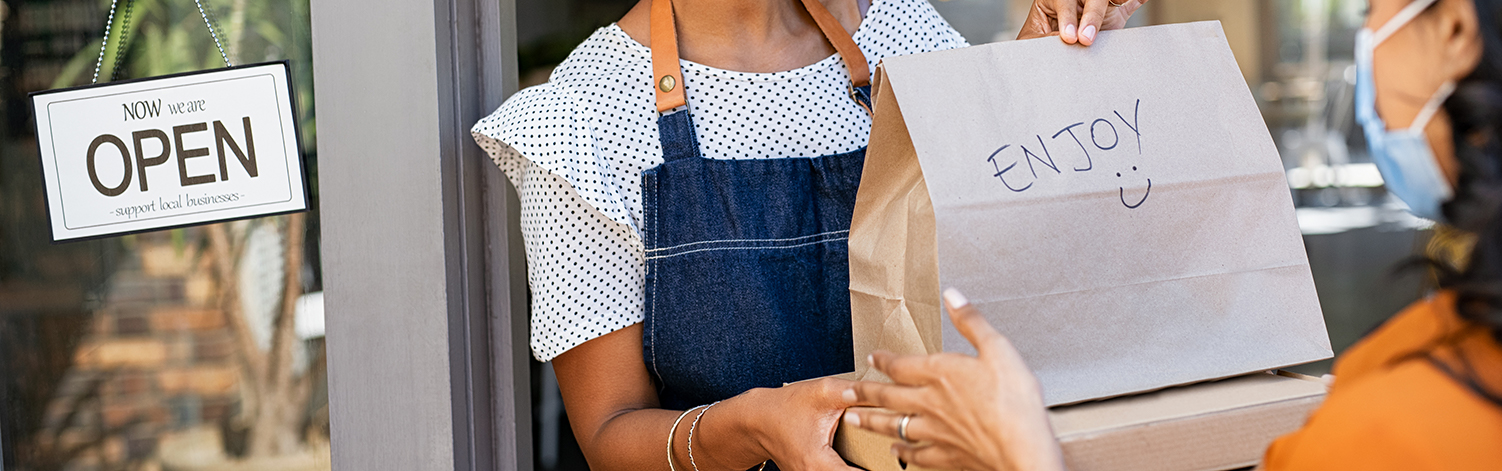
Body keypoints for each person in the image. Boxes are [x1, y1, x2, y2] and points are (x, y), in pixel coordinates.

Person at [843, 0, 1502, 469]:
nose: (1368, 30)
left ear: (1458, 28)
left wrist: (1021, 460)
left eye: (1376, 4)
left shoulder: (1392, 432)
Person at [471, 0, 1148, 469]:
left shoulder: (904, 33)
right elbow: (609, 434)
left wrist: (1049, 49)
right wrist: (752, 426)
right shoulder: (580, 120)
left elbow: (992, 226)